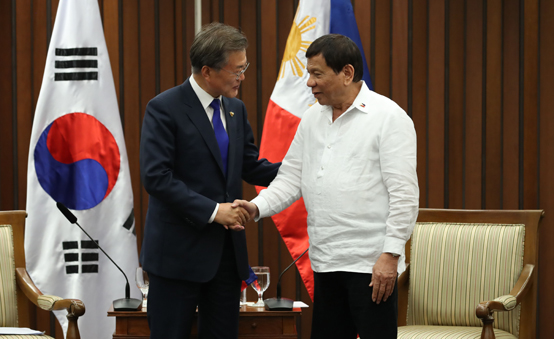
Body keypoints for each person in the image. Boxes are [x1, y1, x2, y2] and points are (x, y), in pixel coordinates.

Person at [234, 34, 419, 338]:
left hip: (370, 266)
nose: (309, 82)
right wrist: (256, 208)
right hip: (325, 260)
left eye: (317, 74)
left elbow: (405, 195)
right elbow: (291, 179)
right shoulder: (311, 119)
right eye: (309, 73)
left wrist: (391, 254)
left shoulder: (389, 118)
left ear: (346, 73)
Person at [139, 22, 280, 339]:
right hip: (177, 256)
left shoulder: (235, 109)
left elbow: (249, 165)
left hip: (225, 258)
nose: (242, 77)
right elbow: (156, 177)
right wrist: (215, 211)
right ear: (207, 71)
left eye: (244, 68)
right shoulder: (164, 109)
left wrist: (300, 169)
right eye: (236, 70)